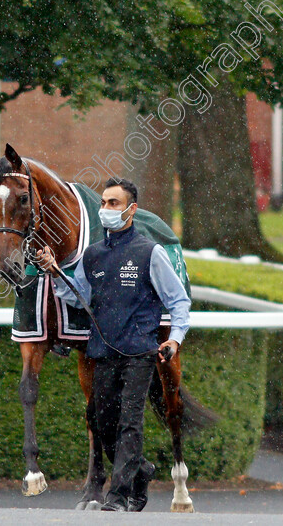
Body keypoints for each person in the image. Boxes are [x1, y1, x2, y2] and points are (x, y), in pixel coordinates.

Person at [38, 177, 190, 512]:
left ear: (131, 210)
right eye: (103, 203)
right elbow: (77, 295)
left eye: (114, 203)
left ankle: (118, 497)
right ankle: (141, 472)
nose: (105, 209)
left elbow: (178, 301)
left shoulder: (151, 252)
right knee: (101, 423)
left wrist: (175, 340)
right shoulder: (92, 256)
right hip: (101, 354)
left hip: (139, 353)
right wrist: (53, 271)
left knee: (129, 422)